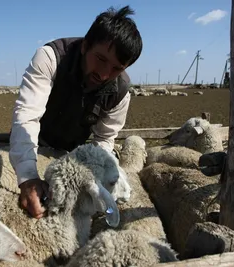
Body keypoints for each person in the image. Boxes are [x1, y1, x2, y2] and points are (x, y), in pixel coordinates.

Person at [9, 5, 143, 219]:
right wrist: (28, 177)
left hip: (71, 155)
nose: (104, 74)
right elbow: (27, 115)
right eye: (100, 59)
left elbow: (105, 139)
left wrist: (98, 180)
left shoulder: (120, 91)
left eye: (117, 68)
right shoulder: (51, 58)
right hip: (36, 142)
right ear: (85, 46)